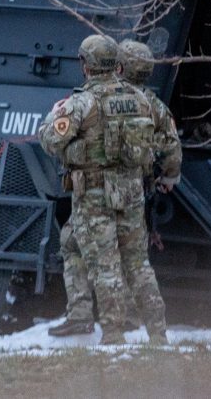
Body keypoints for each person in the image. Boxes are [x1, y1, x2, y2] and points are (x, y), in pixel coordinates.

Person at [38, 35, 168, 345]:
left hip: (94, 198)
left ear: (86, 65)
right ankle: (158, 334)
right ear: (117, 64)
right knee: (138, 264)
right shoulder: (139, 99)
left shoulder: (81, 102)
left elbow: (49, 140)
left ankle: (113, 334)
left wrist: (54, 114)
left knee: (105, 266)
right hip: (131, 194)